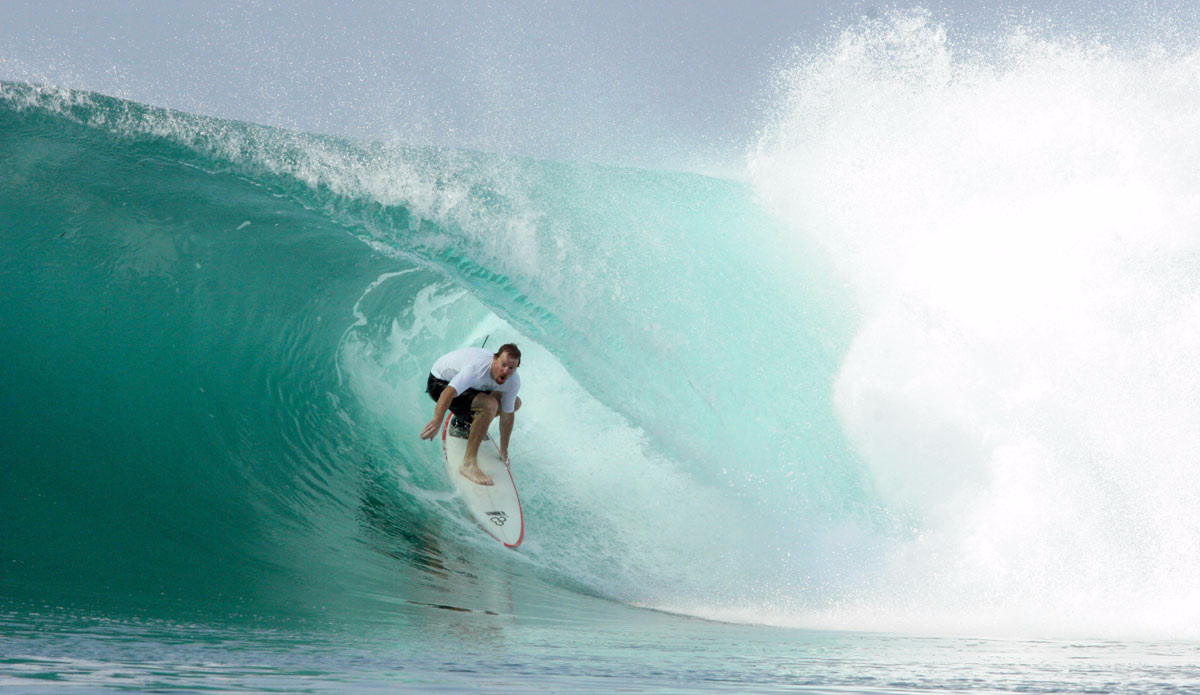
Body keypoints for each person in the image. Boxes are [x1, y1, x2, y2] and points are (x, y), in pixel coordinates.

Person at [420, 343, 522, 486]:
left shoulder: (513, 381)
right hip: (440, 383)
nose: (506, 371)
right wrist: (437, 420)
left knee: (514, 403)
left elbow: (507, 416)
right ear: (495, 359)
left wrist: (504, 450)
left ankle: (466, 421)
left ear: (516, 368)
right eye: (503, 364)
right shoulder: (476, 370)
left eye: (511, 368)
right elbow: (448, 393)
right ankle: (468, 464)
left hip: (472, 387)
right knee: (490, 405)